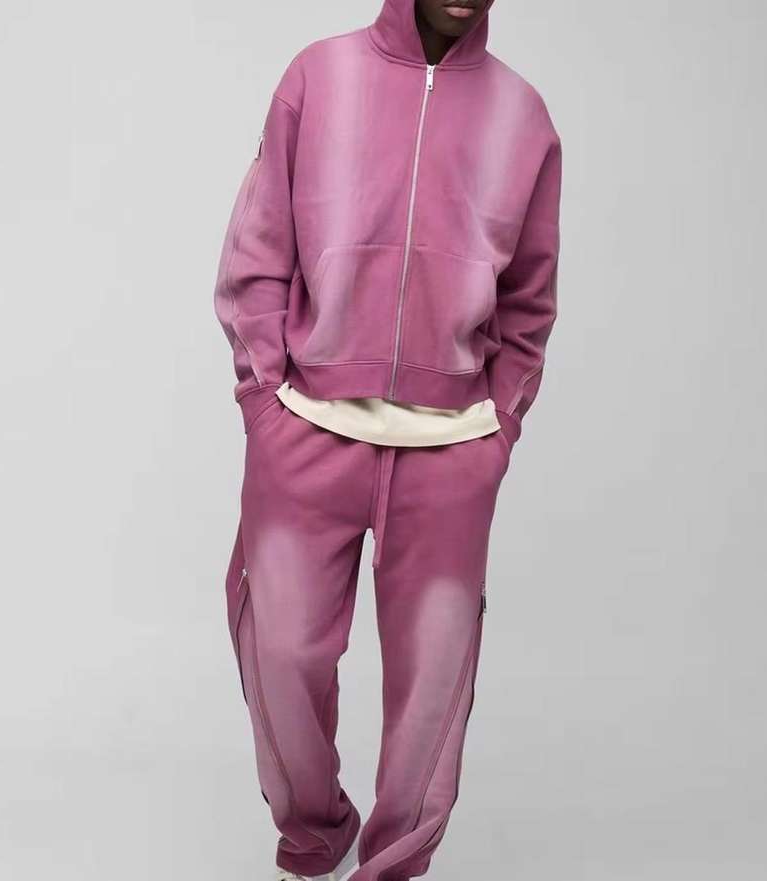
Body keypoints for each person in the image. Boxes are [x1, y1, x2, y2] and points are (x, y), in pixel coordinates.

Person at [213, 1, 561, 878]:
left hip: (451, 450)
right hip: (308, 428)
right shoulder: (318, 76)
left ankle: (395, 865)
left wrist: (498, 427)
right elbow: (259, 247)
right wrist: (264, 396)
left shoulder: (523, 117)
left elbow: (530, 299)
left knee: (431, 692)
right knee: (281, 652)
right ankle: (314, 833)